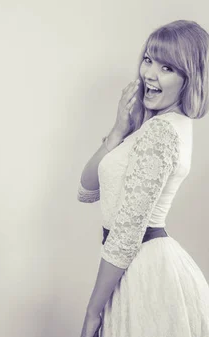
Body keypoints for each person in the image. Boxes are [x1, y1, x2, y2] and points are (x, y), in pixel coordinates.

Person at [77, 20, 209, 337]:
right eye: (148, 59)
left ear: (189, 80)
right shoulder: (156, 126)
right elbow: (87, 190)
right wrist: (119, 131)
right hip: (133, 267)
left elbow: (124, 236)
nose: (149, 74)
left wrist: (92, 313)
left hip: (140, 270)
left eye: (167, 68)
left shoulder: (161, 133)